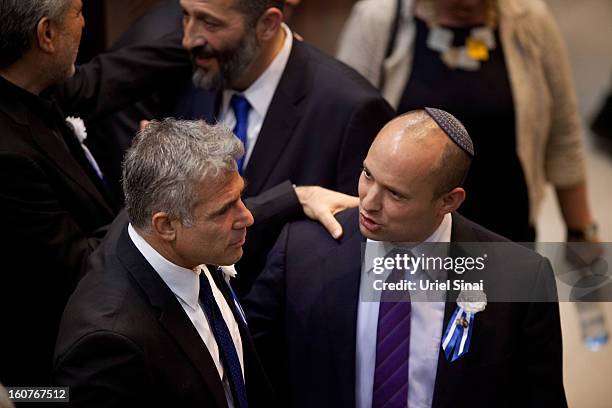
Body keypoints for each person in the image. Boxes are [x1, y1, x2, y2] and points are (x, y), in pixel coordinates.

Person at [244, 109, 566, 407]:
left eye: (395, 194)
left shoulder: (520, 277)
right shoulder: (301, 251)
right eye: (367, 175)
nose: (368, 202)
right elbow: (244, 368)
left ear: (448, 201)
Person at [176, 0, 394, 294]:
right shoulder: (193, 72)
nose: (189, 39)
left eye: (210, 23)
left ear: (267, 24)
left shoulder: (349, 109)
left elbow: (366, 255)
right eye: (185, 16)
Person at [54, 119, 275, 407]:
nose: (247, 217)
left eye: (240, 197)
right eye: (223, 211)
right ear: (166, 226)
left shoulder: (162, 227)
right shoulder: (108, 345)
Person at [337, 0, 598, 243]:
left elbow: (563, 133)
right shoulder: (379, 17)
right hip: (402, 234)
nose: (470, 4)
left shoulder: (529, 18)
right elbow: (345, 128)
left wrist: (580, 232)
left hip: (506, 229)